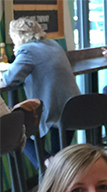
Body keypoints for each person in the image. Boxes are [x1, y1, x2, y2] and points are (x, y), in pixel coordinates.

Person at [1, 17, 81, 168]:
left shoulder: (27, 50)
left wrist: (17, 53)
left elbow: (10, 79)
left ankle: (45, 164)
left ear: (18, 36)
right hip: (73, 109)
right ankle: (51, 166)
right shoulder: (53, 44)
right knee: (58, 160)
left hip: (52, 112)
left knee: (17, 132)